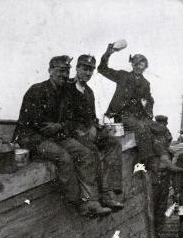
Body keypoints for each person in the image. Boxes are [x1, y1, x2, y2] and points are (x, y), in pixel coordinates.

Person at [13, 56, 111, 216]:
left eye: (67, 71)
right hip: (33, 138)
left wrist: (59, 126)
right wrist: (57, 127)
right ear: (50, 70)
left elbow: (73, 120)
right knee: (63, 157)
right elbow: (36, 124)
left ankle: (91, 201)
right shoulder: (36, 90)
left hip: (56, 135)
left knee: (85, 153)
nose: (64, 75)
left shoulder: (66, 92)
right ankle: (78, 203)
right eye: (60, 71)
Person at [60, 54, 124, 211]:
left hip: (88, 131)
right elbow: (62, 116)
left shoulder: (89, 92)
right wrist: (79, 130)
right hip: (72, 132)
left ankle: (108, 192)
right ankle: (91, 199)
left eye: (91, 70)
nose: (88, 73)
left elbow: (91, 117)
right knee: (92, 150)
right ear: (77, 68)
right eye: (85, 69)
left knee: (113, 144)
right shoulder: (66, 88)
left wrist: (96, 126)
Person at [97, 43, 156, 166]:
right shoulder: (123, 76)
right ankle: (147, 160)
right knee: (135, 130)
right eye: (136, 64)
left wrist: (149, 115)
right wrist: (108, 53)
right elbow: (102, 69)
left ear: (145, 67)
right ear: (132, 64)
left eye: (142, 65)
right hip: (116, 116)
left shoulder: (146, 84)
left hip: (134, 117)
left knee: (152, 127)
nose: (139, 67)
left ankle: (146, 160)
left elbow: (148, 101)